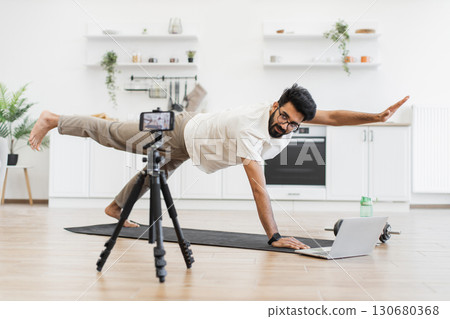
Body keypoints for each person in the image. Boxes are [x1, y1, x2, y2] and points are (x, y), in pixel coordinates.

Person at [29, 84, 409, 250]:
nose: (288, 127)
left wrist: (374, 116)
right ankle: (54, 119)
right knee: (113, 133)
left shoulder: (291, 117)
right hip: (177, 127)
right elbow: (259, 187)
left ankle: (116, 208)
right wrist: (275, 236)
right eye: (286, 119)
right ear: (276, 105)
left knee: (156, 171)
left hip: (189, 138)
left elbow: (334, 116)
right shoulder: (251, 130)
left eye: (295, 124)